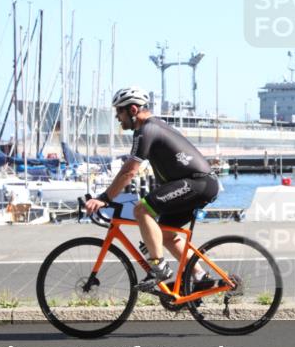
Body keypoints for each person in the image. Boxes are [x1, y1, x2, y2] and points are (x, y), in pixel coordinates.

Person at [85, 87, 220, 291]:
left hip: (198, 183)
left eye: (119, 111)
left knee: (141, 209)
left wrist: (105, 198)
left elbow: (129, 171)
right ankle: (201, 277)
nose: (117, 117)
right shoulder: (150, 127)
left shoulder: (147, 129)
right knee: (165, 235)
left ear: (132, 110)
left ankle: (159, 267)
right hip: (200, 184)